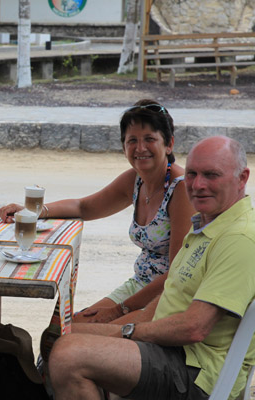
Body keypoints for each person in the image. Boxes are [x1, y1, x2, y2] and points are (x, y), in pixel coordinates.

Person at [48, 136, 255, 400]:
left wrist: (126, 332)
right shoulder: (208, 226)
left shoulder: (240, 238)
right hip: (170, 353)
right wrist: (114, 323)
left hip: (196, 372)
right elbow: (167, 300)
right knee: (61, 335)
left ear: (242, 178)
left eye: (211, 175)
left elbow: (194, 328)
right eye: (192, 174)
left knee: (69, 356)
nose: (199, 185)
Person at [0, 100, 194, 325]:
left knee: (75, 336)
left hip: (168, 296)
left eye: (150, 139)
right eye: (132, 140)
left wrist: (118, 311)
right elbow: (84, 207)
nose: (140, 148)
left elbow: (176, 274)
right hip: (139, 285)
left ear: (168, 144)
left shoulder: (180, 189)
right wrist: (34, 212)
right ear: (124, 147)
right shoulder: (136, 180)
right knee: (60, 327)